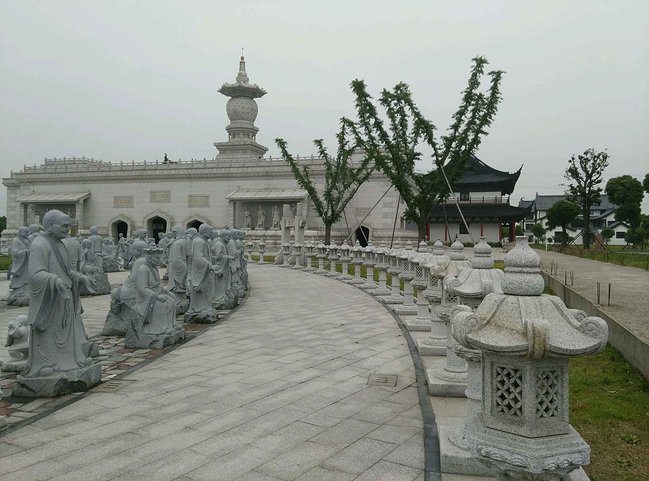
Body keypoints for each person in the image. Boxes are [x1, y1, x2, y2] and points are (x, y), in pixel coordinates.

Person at [15, 210, 100, 397]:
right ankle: (45, 364)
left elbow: (67, 271)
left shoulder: (60, 244)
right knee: (51, 334)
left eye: (68, 226)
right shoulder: (40, 244)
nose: (67, 230)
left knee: (66, 332)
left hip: (64, 297)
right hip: (50, 299)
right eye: (63, 226)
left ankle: (70, 360)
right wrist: (55, 281)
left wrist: (80, 278)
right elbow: (35, 275)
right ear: (50, 225)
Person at [8, 226, 31, 305]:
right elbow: (15, 253)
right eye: (25, 232)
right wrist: (26, 252)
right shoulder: (16, 240)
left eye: (28, 232)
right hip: (20, 264)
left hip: (27, 263)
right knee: (20, 279)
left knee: (28, 278)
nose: (27, 234)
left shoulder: (28, 239)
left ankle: (27, 292)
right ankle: (18, 292)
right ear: (20, 232)